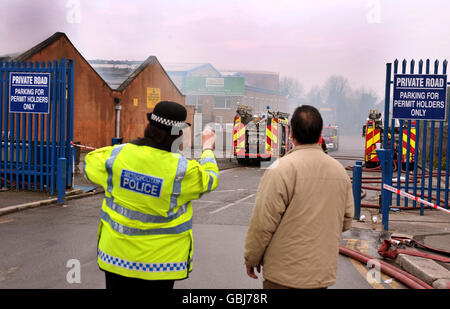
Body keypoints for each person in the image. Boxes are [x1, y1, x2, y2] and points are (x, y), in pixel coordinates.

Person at [84, 101, 218, 289]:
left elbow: (89, 165)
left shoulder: (116, 156)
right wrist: (207, 149)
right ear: (177, 135)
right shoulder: (182, 171)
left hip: (115, 258)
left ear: (149, 127)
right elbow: (210, 179)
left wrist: (132, 150)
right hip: (161, 266)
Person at [244, 105, 354, 289]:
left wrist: (252, 257)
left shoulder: (280, 169)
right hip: (320, 275)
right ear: (320, 133)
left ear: (291, 133)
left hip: (283, 276)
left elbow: (263, 222)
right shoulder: (339, 172)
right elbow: (347, 219)